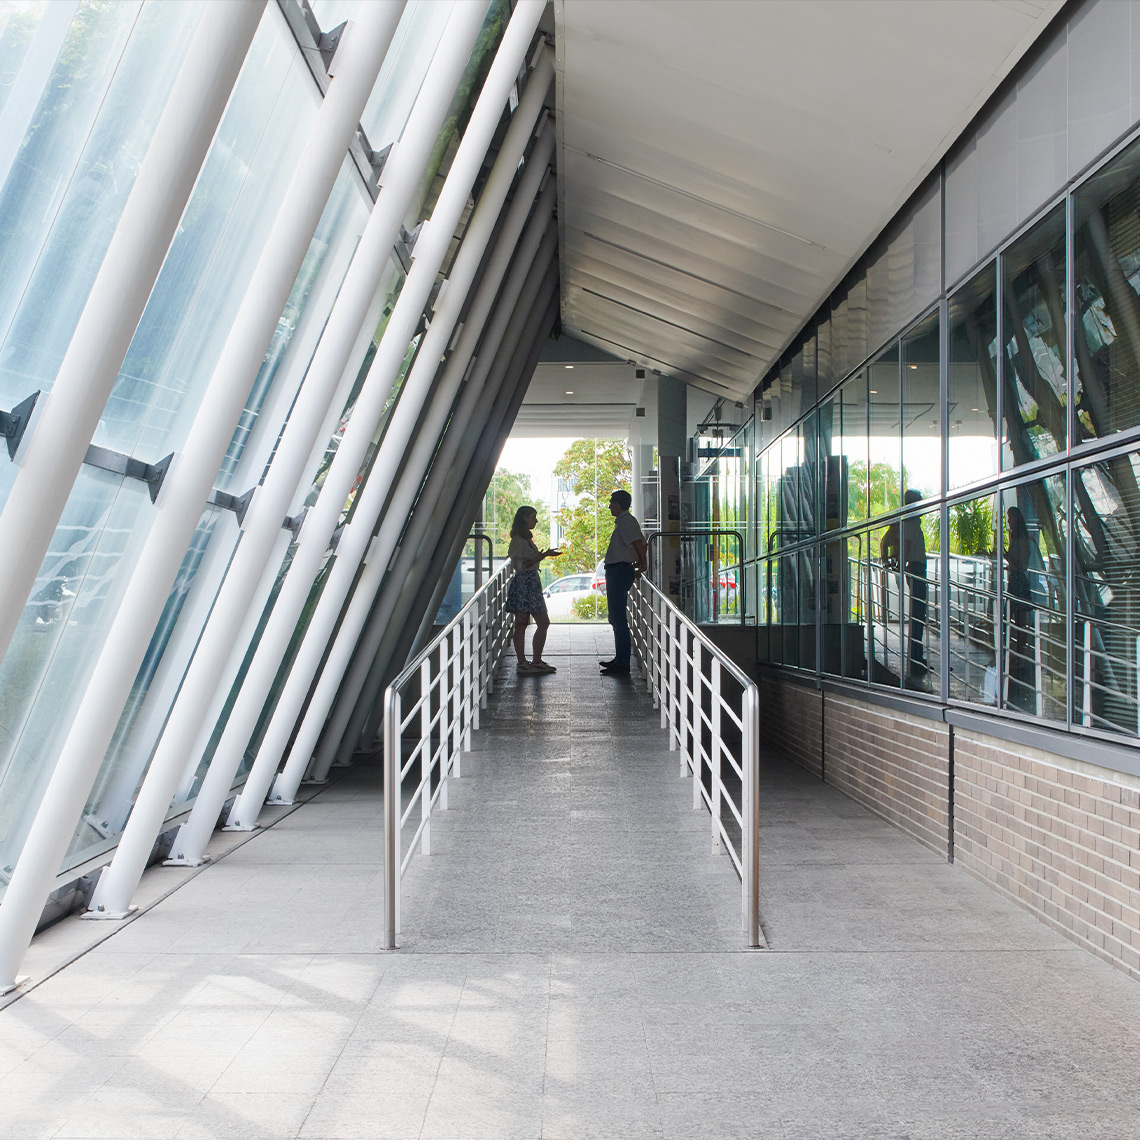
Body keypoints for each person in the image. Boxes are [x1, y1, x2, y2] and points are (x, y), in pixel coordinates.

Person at [506, 506, 559, 674]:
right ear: (524, 518)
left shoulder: (524, 539)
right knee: (523, 622)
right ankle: (524, 662)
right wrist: (542, 556)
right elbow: (520, 565)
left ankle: (533, 661)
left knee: (537, 622)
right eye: (533, 517)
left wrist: (540, 557)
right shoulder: (518, 540)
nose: (535, 520)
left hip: (529, 582)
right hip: (525, 582)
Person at [600, 488, 647, 675]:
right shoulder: (625, 522)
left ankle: (622, 663)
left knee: (618, 618)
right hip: (619, 570)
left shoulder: (626, 521)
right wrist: (638, 561)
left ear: (618, 504)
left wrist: (643, 564)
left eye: (612, 502)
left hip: (619, 571)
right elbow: (639, 543)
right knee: (616, 617)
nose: (609, 506)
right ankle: (620, 659)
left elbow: (638, 542)